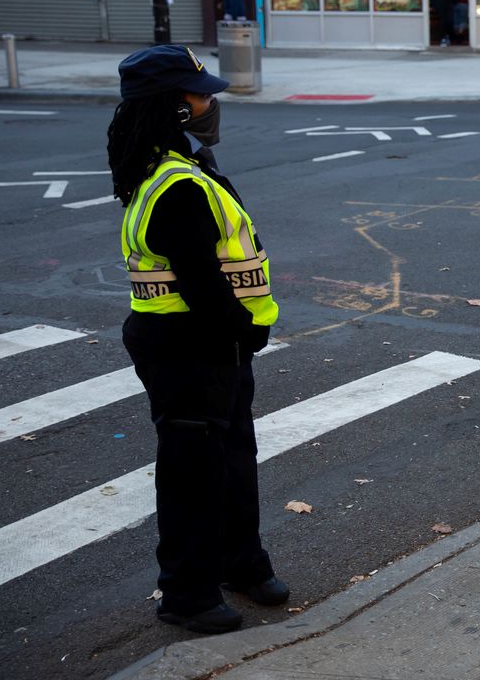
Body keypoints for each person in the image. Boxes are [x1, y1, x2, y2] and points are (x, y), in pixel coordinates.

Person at [107, 45, 287, 634]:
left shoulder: (182, 168)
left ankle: (242, 563)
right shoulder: (174, 185)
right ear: (175, 107)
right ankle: (187, 593)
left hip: (212, 344)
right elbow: (203, 282)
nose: (212, 102)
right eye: (201, 93)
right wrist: (246, 328)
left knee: (233, 458)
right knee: (193, 471)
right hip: (188, 344)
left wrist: (243, 335)